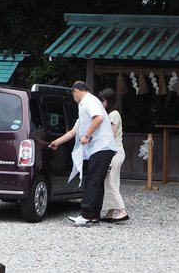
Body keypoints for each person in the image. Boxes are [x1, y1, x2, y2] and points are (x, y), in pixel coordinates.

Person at [48, 81, 116, 225]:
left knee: (92, 180)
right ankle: (94, 215)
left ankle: (85, 215)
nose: (74, 98)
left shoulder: (88, 101)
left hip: (101, 147)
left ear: (76, 91)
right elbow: (73, 131)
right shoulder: (87, 105)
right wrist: (57, 142)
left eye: (73, 94)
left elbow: (99, 118)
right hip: (102, 148)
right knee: (96, 181)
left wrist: (86, 136)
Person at [98, 88, 128, 222]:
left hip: (114, 152)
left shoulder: (113, 114)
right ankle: (110, 212)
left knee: (110, 182)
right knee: (111, 181)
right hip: (116, 152)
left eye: (102, 100)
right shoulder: (112, 114)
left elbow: (111, 134)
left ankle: (122, 211)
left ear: (108, 101)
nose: (100, 103)